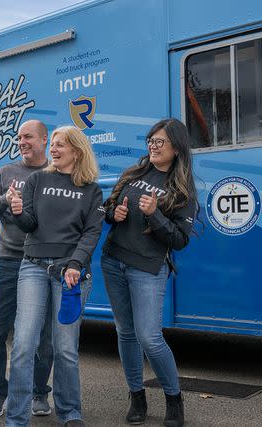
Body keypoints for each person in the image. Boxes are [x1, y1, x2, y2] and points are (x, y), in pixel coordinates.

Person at [101, 118, 198, 427]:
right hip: (114, 261)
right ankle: (137, 396)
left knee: (149, 337)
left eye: (160, 143)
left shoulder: (182, 190)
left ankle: (174, 398)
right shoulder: (136, 172)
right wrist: (113, 214)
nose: (153, 147)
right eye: (151, 142)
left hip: (148, 269)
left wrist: (153, 214)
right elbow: (108, 207)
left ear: (176, 147)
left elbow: (179, 241)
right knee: (125, 333)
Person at [5, 126, 104, 427]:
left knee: (65, 347)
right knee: (23, 344)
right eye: (54, 145)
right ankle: (17, 417)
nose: (54, 150)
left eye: (61, 145)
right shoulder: (38, 179)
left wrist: (75, 263)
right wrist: (18, 210)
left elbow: (91, 233)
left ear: (77, 150)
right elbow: (28, 223)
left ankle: (71, 412)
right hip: (33, 266)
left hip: (71, 273)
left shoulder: (91, 189)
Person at [0, 120, 55, 419]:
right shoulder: (5, 173)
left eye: (28, 136)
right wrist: (5, 199)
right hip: (7, 260)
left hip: (43, 262)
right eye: (18, 137)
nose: (22, 141)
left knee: (44, 336)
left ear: (44, 139)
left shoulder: (56, 173)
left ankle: (39, 392)